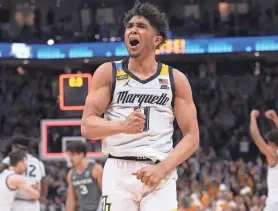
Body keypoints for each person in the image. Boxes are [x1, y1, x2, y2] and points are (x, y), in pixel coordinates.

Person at [81, 1, 199, 210]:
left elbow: (192, 137)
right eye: (129, 26)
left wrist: (163, 169)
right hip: (118, 170)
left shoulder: (176, 79)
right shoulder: (108, 72)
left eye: (141, 26)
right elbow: (87, 127)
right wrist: (122, 126)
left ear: (157, 40)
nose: (133, 30)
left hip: (159, 172)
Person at [0, 136, 46, 211]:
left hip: (16, 201)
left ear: (14, 146)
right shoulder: (38, 162)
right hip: (33, 203)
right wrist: (42, 196)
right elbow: (44, 181)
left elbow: (1, 170)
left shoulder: (11, 158)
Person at [250, 109, 278, 211]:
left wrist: (252, 117)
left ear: (272, 144)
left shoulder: (273, 155)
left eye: (268, 143)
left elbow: (256, 137)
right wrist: (274, 118)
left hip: (275, 203)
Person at [65, 142, 103, 211]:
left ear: (81, 154)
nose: (70, 158)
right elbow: (71, 198)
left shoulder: (96, 169)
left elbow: (105, 192)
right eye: (69, 155)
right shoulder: (71, 174)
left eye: (73, 155)